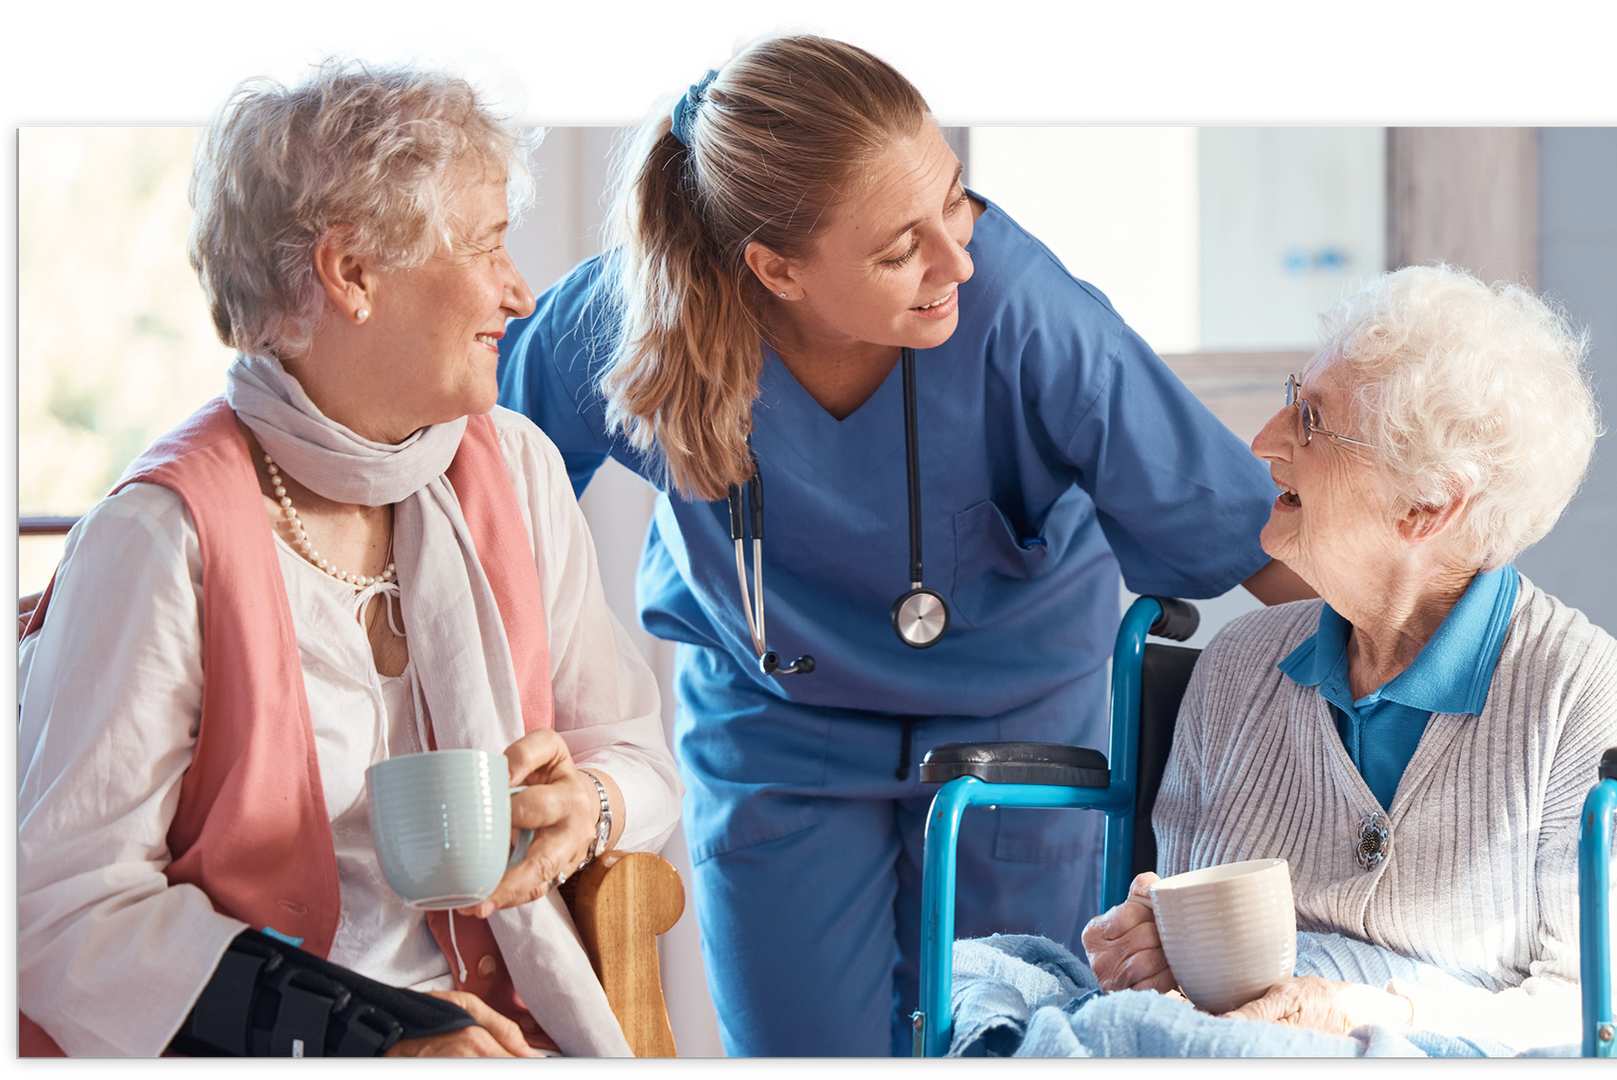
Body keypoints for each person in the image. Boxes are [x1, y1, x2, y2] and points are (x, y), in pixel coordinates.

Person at [496, 23, 1312, 1057]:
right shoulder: (627, 318)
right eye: (898, 248)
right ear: (776, 270)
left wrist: (1464, 661)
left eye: (955, 198)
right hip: (776, 728)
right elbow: (487, 496)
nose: (956, 256)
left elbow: (1246, 537)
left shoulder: (1023, 311)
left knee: (1005, 1037)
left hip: (1016, 731)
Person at [18, 29, 682, 1057]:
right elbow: (67, 917)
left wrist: (585, 804)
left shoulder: (516, 469)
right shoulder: (158, 537)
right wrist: (377, 1035)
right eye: (486, 243)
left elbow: (637, 754)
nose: (519, 291)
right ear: (352, 271)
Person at [1082, 265, 1617, 1054]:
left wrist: (1372, 1014)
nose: (1264, 441)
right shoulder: (1235, 668)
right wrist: (1157, 947)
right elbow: (1193, 995)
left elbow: (1598, 1015)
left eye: (1311, 421)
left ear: (1427, 504)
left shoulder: (1588, 704)